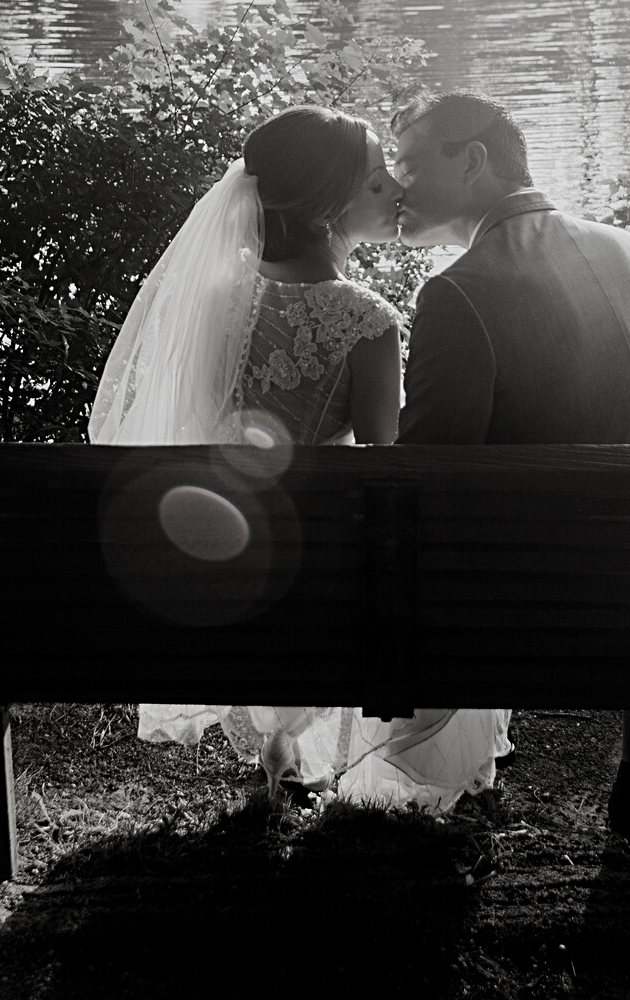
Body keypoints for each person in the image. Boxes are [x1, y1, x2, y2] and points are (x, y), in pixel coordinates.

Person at [89, 105, 507, 812]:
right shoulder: (368, 322)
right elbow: (387, 469)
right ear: (326, 209)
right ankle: (356, 760)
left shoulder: (214, 300)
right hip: (319, 586)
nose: (397, 192)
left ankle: (281, 753)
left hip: (216, 574)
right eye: (378, 184)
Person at [390, 91, 630, 835]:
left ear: (473, 160)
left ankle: (411, 774)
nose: (397, 186)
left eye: (410, 163)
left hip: (549, 606)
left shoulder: (459, 292)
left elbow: (420, 484)